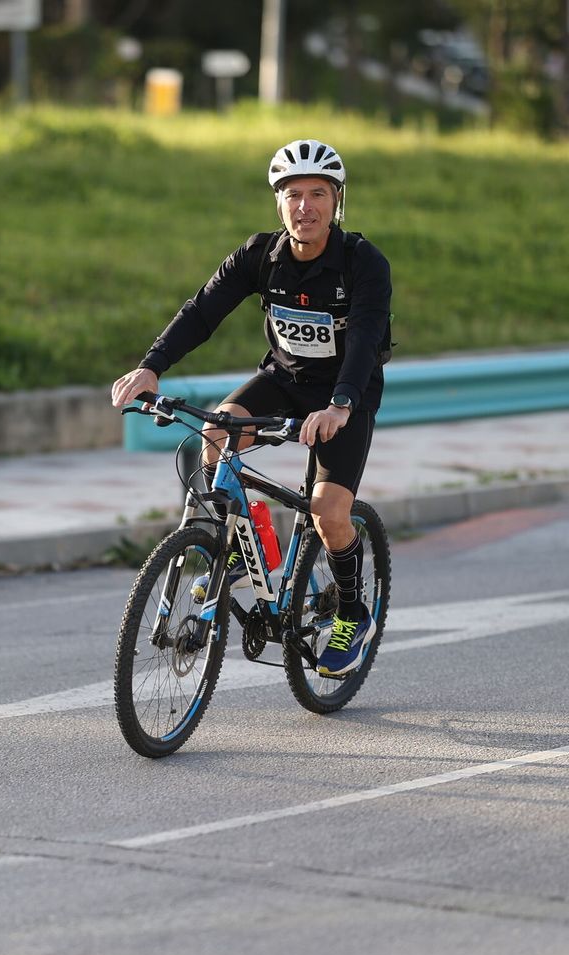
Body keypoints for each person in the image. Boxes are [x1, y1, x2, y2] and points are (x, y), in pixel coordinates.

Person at [110, 138, 393, 678]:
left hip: (344, 393)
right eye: (292, 194)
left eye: (317, 194)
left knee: (328, 512)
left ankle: (353, 614)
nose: (304, 206)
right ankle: (246, 546)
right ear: (278, 202)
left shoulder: (362, 263)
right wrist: (152, 366)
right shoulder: (260, 255)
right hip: (283, 379)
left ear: (337, 202)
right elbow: (201, 312)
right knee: (217, 432)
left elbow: (363, 338)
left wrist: (340, 405)